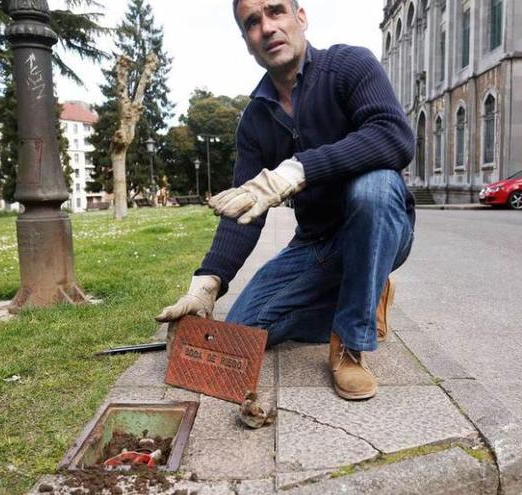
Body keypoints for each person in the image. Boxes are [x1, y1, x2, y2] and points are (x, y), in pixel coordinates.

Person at [156, 0, 415, 401]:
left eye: (276, 11)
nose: (268, 27)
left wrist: (297, 170)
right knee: (244, 329)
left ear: (301, 17)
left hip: (379, 224)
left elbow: (393, 137)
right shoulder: (256, 119)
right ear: (247, 42)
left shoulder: (349, 66)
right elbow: (242, 210)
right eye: (253, 22)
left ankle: (350, 342)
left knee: (374, 187)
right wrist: (207, 284)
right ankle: (366, 295)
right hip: (315, 243)